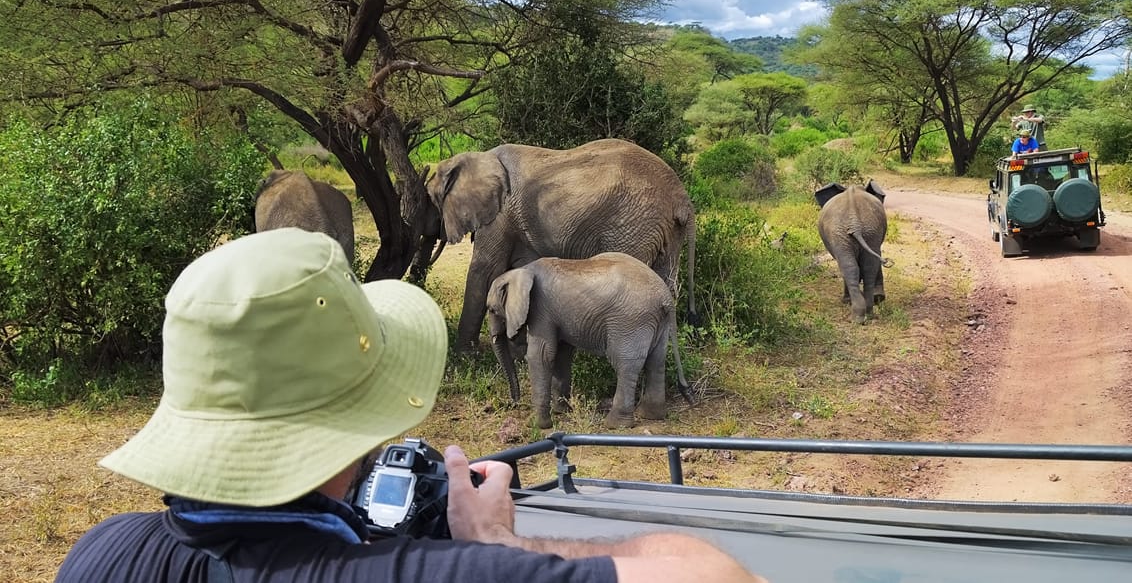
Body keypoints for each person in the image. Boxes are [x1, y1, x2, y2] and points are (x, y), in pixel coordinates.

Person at [55, 228, 764, 583]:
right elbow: (707, 573)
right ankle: (631, 402)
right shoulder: (422, 570)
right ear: (359, 417)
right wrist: (498, 546)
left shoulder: (100, 552)